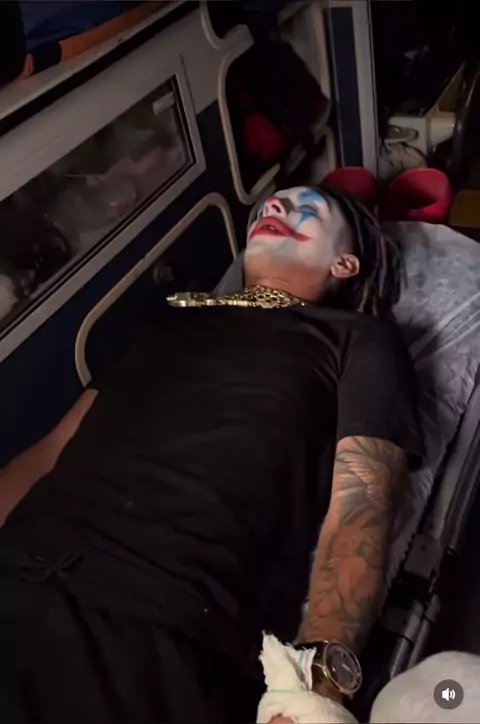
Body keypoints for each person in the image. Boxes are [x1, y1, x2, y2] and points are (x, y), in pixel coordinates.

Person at [0, 186, 423, 723]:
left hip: (160, 621)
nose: (275, 207)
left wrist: (310, 689)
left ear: (345, 263)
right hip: (19, 569)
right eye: (271, 204)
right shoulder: (165, 321)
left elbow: (363, 505)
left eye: (308, 210)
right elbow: (50, 452)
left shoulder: (356, 338)